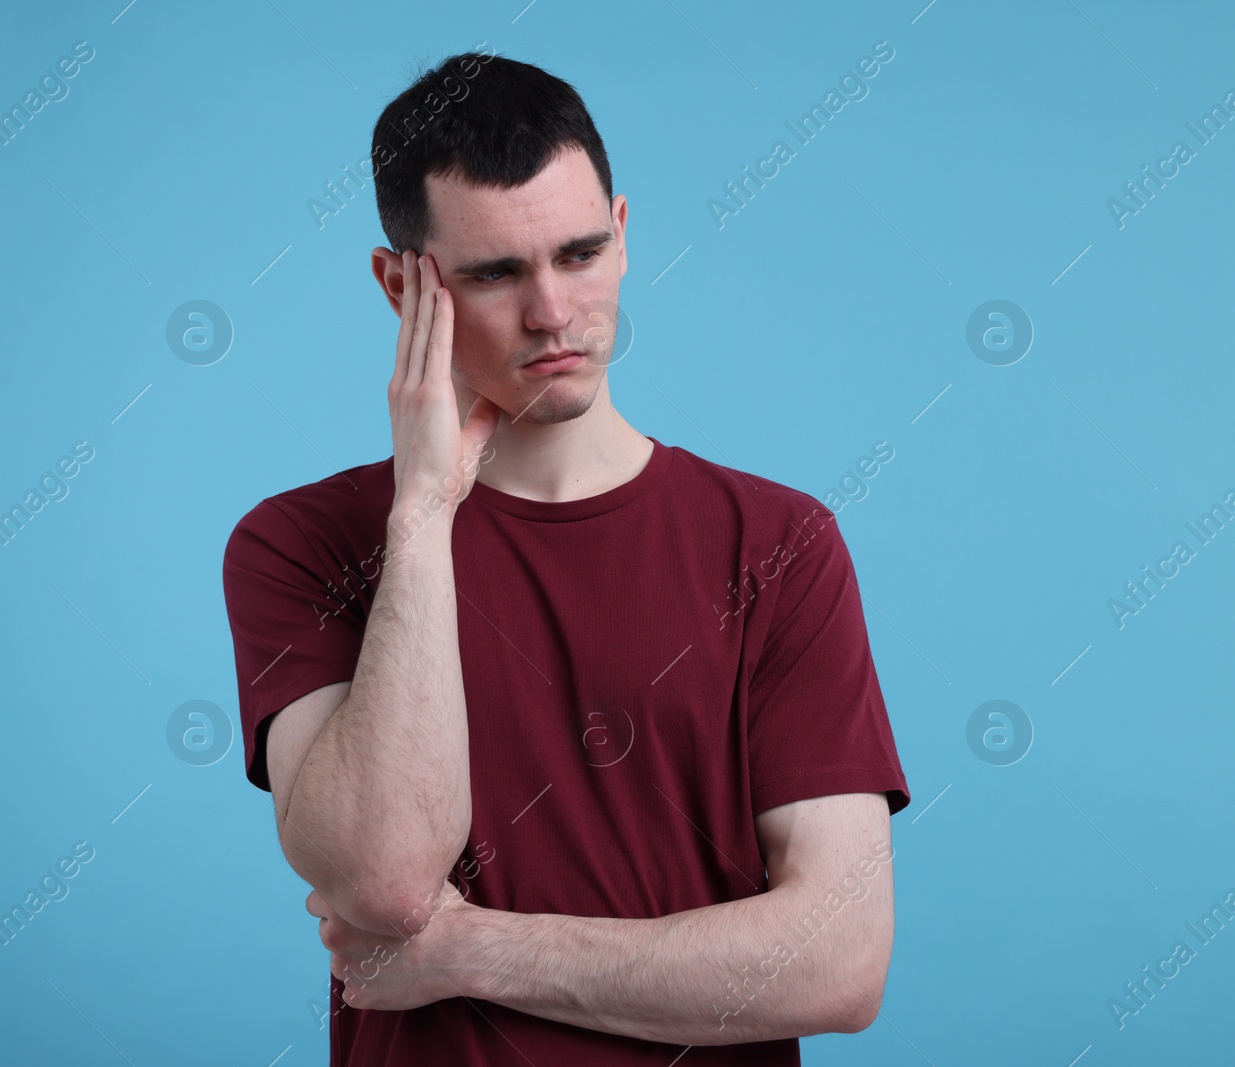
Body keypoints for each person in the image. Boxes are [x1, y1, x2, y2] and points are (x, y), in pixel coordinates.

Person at [221, 47, 910, 1066]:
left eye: (579, 254)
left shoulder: (778, 544)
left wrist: (473, 952)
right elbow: (386, 884)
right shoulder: (300, 542)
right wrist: (421, 512)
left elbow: (839, 964)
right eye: (496, 272)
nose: (552, 312)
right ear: (401, 285)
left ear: (623, 237)